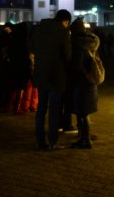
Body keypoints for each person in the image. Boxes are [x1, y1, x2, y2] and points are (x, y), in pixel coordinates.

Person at [29, 9, 71, 150]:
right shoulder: (63, 31)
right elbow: (67, 56)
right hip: (56, 75)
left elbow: (32, 47)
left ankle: (39, 140)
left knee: (41, 108)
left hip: (41, 73)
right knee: (54, 109)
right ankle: (53, 141)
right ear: (65, 21)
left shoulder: (39, 28)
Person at [68, 17, 100, 149]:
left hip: (81, 83)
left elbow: (77, 66)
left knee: (82, 113)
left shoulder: (79, 47)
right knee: (84, 112)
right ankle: (84, 138)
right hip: (90, 83)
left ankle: (85, 140)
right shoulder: (90, 43)